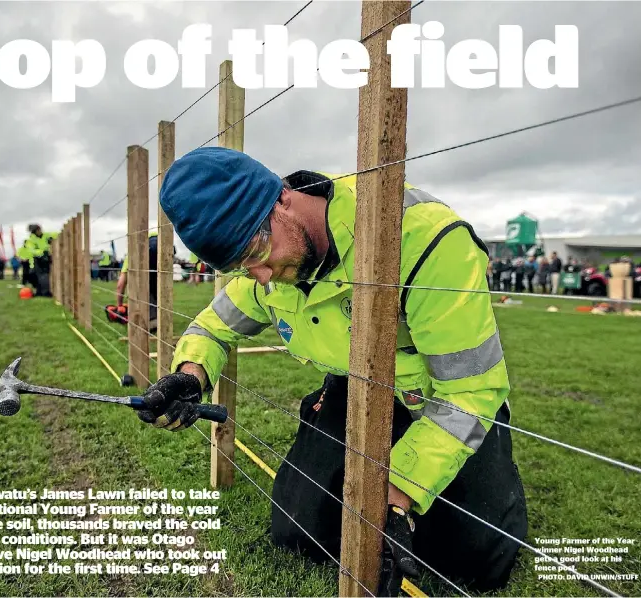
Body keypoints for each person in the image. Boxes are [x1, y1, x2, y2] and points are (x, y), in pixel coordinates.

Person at [132, 148, 527, 594]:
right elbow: (213, 326)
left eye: (257, 251)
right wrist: (190, 375)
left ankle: (493, 468)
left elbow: (470, 391)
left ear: (280, 198)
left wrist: (394, 498)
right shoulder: (264, 261)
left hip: (442, 403)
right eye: (241, 266)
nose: (260, 277)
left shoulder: (426, 238)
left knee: (474, 561)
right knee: (297, 534)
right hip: (354, 390)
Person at [115, 230, 171, 330]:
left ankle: (149, 321)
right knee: (158, 286)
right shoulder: (161, 241)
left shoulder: (133, 252)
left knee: (141, 285)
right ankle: (161, 321)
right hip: (167, 244)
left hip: (148, 251)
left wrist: (119, 305)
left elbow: (120, 285)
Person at [24, 224, 52, 296]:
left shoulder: (46, 236)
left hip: (46, 259)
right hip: (38, 260)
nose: (40, 231)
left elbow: (51, 243)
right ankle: (40, 291)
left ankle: (44, 292)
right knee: (36, 276)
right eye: (38, 230)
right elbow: (32, 250)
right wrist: (43, 252)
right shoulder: (31, 240)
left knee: (44, 276)